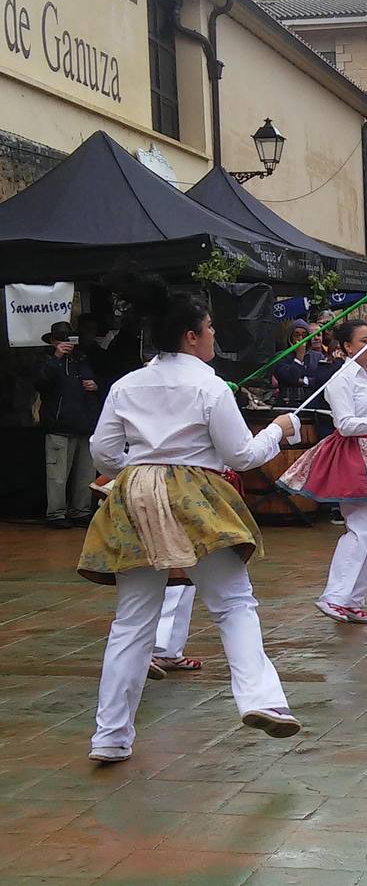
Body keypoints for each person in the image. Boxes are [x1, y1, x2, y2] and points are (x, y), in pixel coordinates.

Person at [79, 286, 302, 763]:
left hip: (134, 494)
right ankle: (262, 700)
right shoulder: (209, 386)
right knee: (234, 603)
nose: (214, 335)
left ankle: (110, 736)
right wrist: (279, 430)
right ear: (190, 335)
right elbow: (240, 456)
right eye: (209, 328)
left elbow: (103, 452)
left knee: (132, 621)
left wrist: (136, 471)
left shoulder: (127, 385)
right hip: (196, 496)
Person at [278, 319, 367, 624]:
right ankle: (334, 596)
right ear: (346, 347)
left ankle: (352, 599)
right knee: (359, 528)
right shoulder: (341, 379)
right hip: (352, 454)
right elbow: (344, 424)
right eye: (363, 341)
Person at [34, 321, 101, 529]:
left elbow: (95, 382)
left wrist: (95, 385)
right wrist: (56, 357)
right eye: (62, 339)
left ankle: (81, 511)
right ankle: (56, 513)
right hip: (59, 426)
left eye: (70, 339)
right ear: (53, 341)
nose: (67, 343)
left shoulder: (81, 359)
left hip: (84, 425)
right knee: (57, 475)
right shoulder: (46, 360)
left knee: (85, 474)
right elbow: (40, 382)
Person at [274, 319, 325, 407]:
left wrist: (304, 381)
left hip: (312, 404)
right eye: (296, 335)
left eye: (304, 335)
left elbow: (321, 380)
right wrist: (299, 356)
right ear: (290, 337)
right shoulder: (281, 357)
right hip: (288, 404)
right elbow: (290, 378)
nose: (300, 339)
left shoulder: (318, 357)